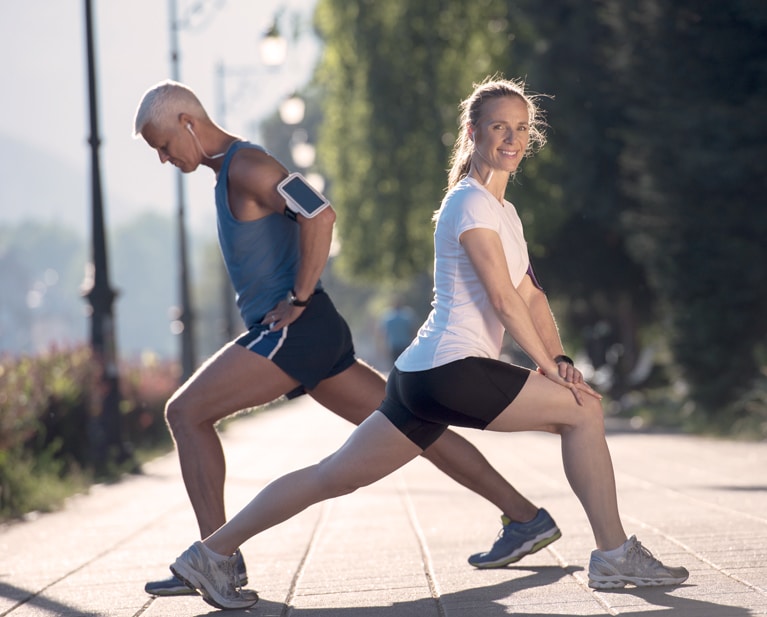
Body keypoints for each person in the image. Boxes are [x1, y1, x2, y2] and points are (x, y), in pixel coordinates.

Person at [164, 76, 690, 610]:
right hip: (452, 369)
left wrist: (558, 358)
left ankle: (211, 553)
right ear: (473, 132)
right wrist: (550, 375)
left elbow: (530, 296)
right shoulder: (470, 205)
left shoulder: (502, 211)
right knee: (583, 413)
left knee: (334, 475)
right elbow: (504, 301)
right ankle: (614, 553)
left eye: (522, 129)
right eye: (499, 128)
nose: (512, 139)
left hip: (421, 376)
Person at [132, 80, 563, 599]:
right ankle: (525, 518)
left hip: (297, 332)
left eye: (162, 144)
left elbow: (320, 212)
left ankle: (215, 558)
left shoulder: (248, 166)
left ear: (186, 123)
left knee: (185, 412)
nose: (163, 158)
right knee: (414, 424)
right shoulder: (230, 170)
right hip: (311, 334)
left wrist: (299, 294)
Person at [378, 296, 418, 366]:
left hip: (394, 346)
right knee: (406, 365)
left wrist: (382, 347)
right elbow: (413, 331)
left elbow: (383, 334)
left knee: (394, 365)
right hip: (405, 344)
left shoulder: (388, 317)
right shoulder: (407, 315)